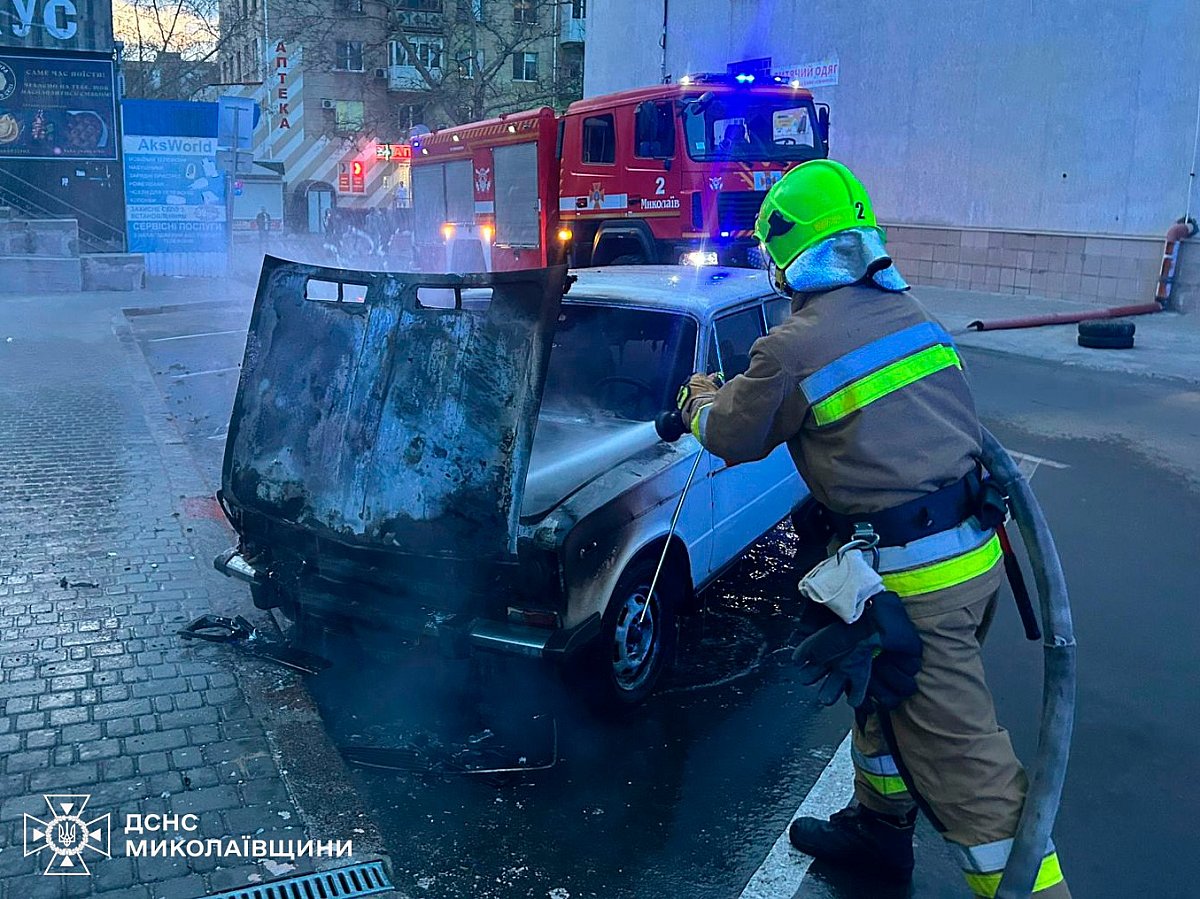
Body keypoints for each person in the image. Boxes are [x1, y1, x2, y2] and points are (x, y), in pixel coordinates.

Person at [674, 160, 1070, 898]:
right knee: (883, 695)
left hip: (912, 579)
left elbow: (731, 432)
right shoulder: (912, 313)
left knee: (964, 767)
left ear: (788, 254)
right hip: (971, 557)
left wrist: (697, 395)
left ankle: (1031, 889)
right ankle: (878, 834)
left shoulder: (792, 346)